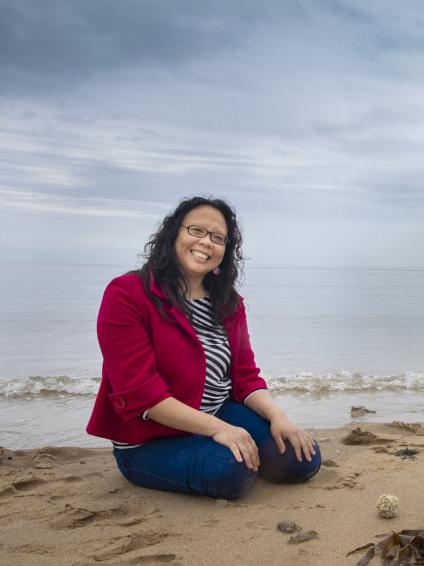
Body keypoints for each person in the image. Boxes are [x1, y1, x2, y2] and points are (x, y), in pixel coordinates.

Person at [87, 197, 321, 498]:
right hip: (150, 440)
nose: (206, 242)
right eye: (196, 230)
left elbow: (246, 377)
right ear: (173, 233)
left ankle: (242, 451)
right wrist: (217, 429)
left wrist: (278, 416)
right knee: (230, 470)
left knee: (299, 457)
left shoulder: (229, 303)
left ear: (225, 251)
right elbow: (142, 394)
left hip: (219, 411)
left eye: (218, 238)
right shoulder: (127, 294)